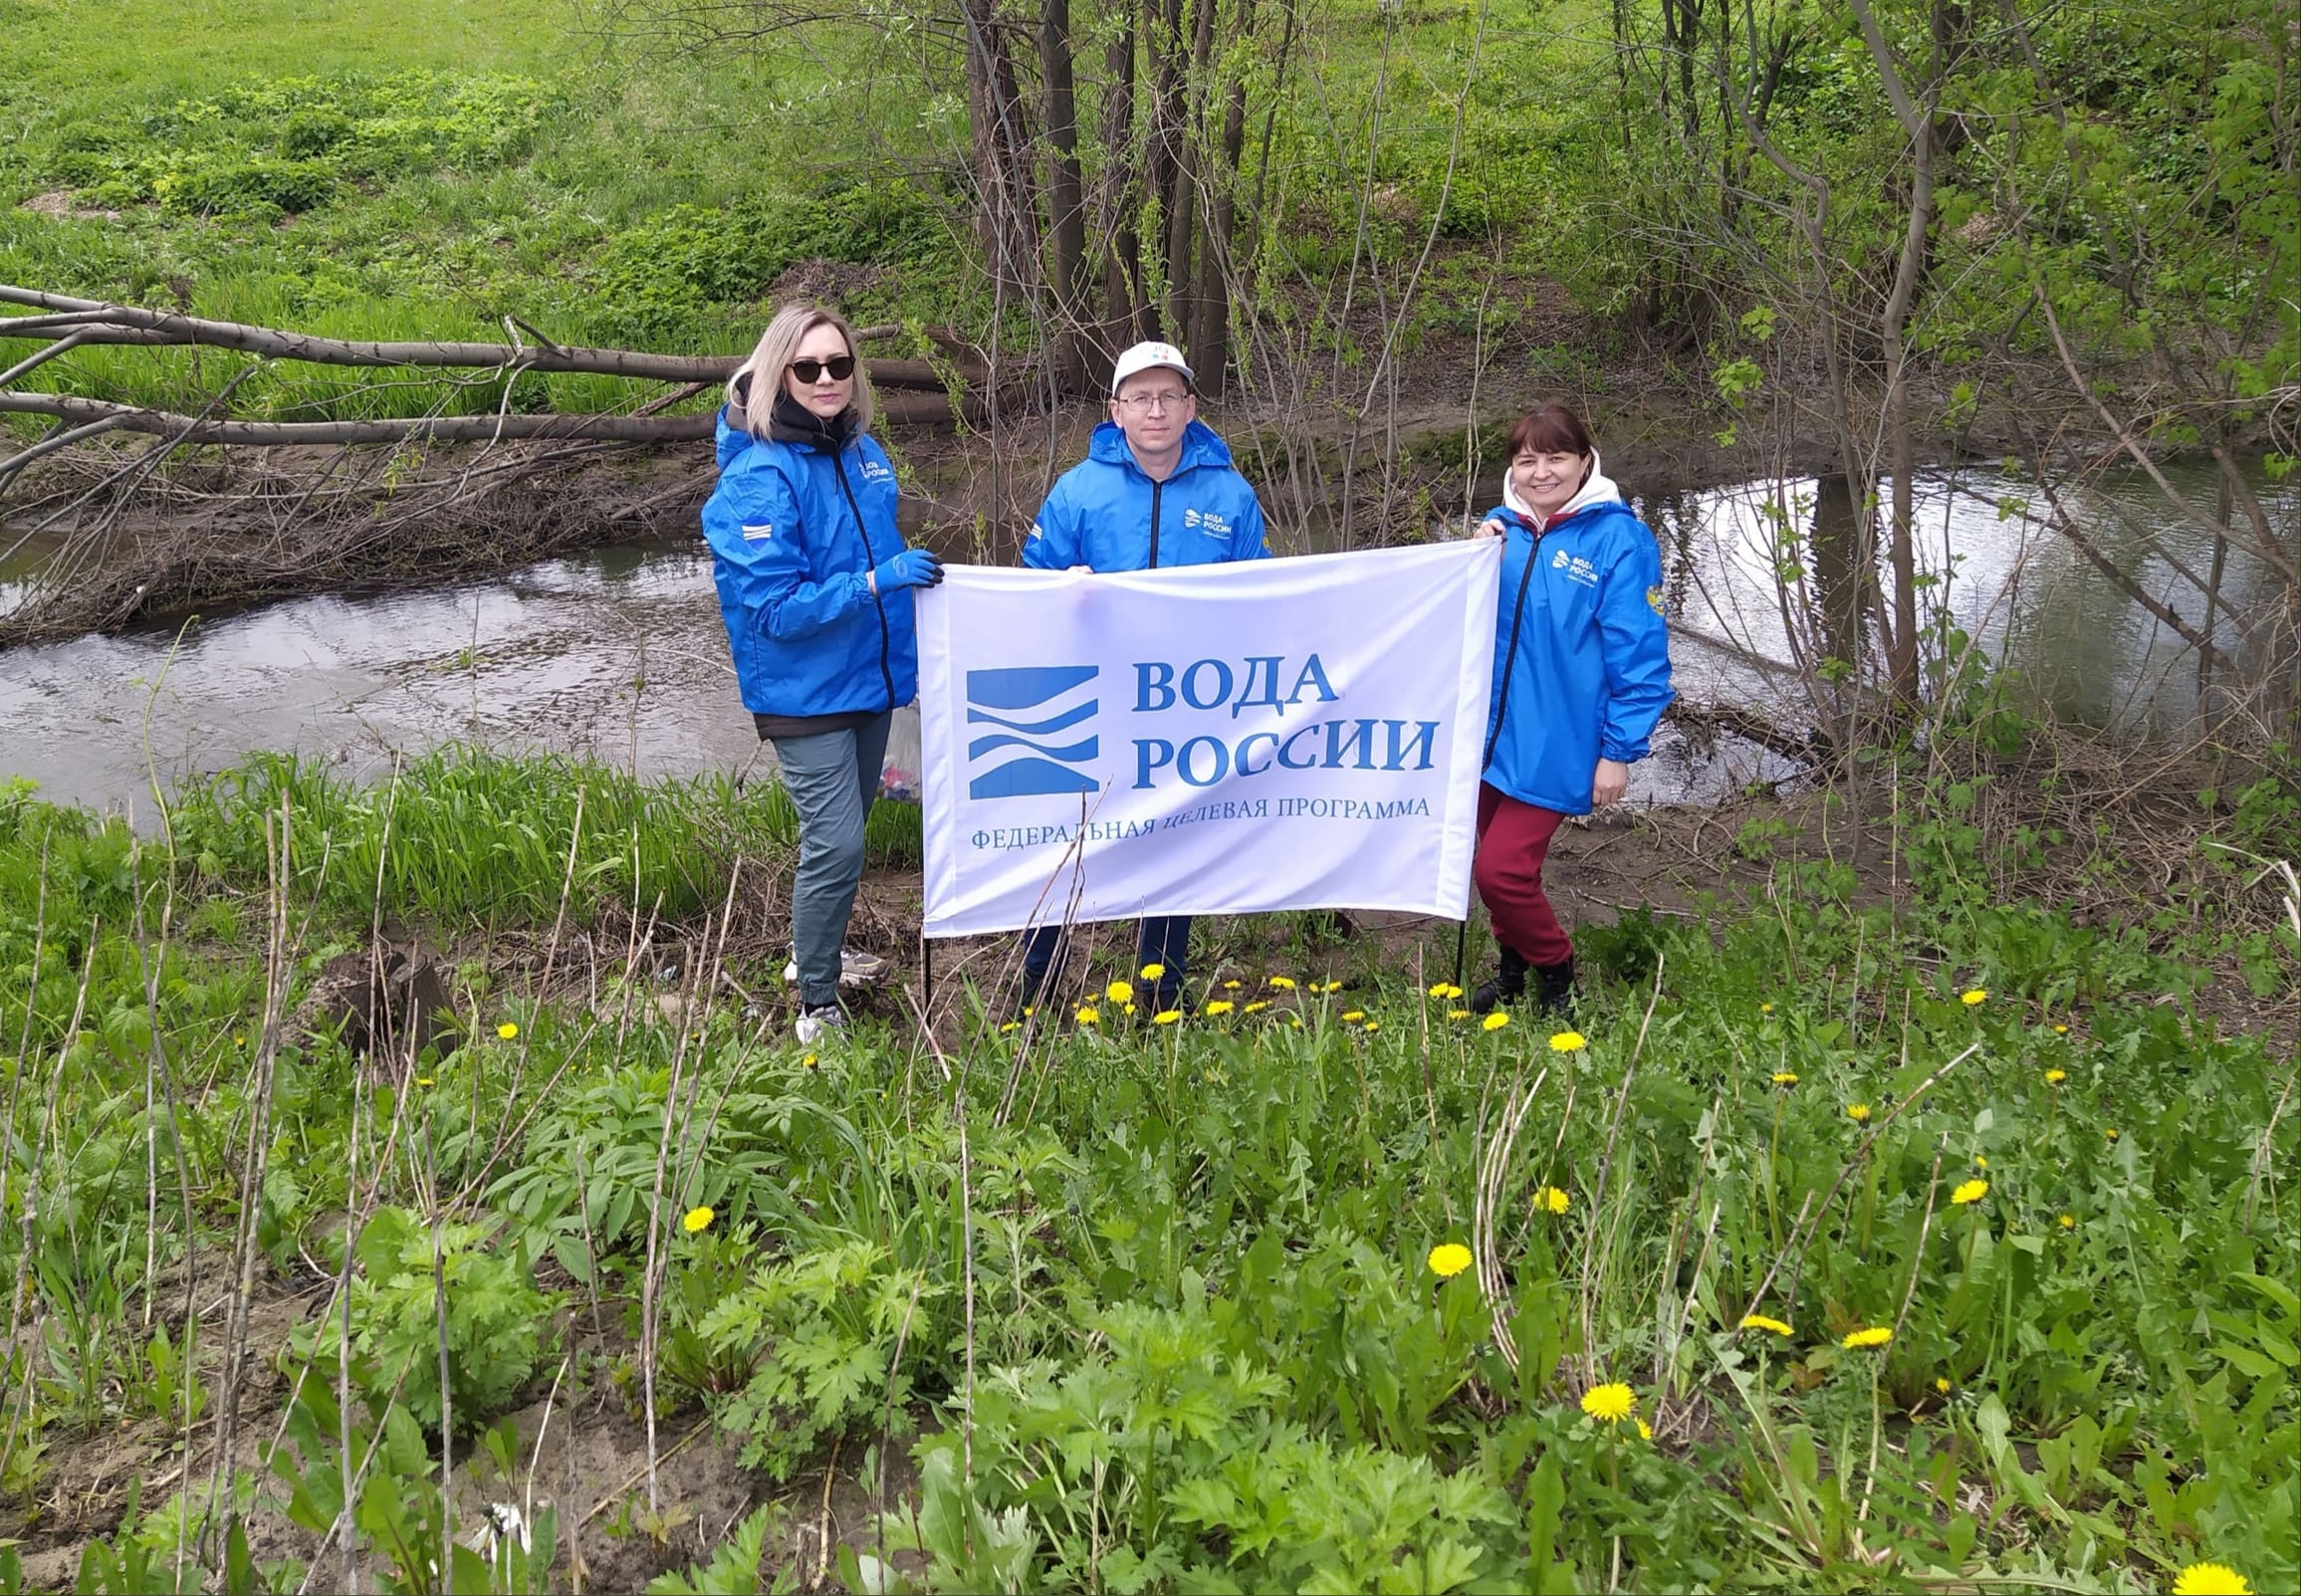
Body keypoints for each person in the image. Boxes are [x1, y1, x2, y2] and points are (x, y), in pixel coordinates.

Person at [701, 304, 945, 1043]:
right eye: (807, 368)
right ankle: (816, 1003)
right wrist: (875, 583)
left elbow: (881, 563)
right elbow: (772, 610)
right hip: (802, 695)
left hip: (871, 683)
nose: (827, 379)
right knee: (836, 843)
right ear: (779, 374)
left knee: (849, 834)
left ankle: (821, 949)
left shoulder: (864, 454)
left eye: (839, 364)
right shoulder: (756, 480)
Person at [1017, 340, 1269, 1015]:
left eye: (1167, 397)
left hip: (1187, 705)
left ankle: (1162, 993)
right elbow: (1029, 584)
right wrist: (1055, 586)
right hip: (1094, 702)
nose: (1154, 410)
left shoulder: (1229, 493)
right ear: (1116, 410)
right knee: (1069, 844)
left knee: (1169, 841)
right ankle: (1034, 990)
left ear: (1189, 407)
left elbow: (1266, 594)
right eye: (1139, 397)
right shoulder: (1078, 490)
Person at [1468, 403, 1673, 1016]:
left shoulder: (1618, 540)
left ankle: (1557, 974)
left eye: (1556, 457)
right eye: (1527, 459)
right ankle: (1513, 967)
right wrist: (1467, 563)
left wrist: (1617, 752)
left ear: (1585, 461)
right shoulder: (1497, 531)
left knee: (1499, 871)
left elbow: (1640, 657)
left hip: (1559, 742)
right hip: (1488, 736)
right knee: (1496, 866)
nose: (1541, 472)